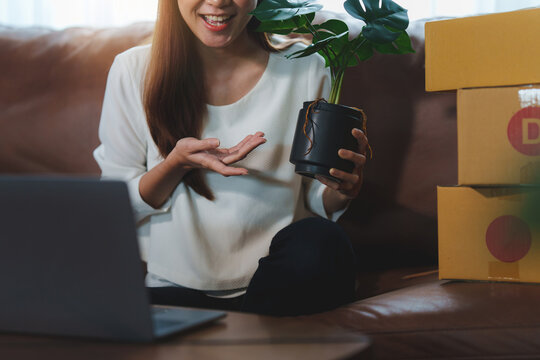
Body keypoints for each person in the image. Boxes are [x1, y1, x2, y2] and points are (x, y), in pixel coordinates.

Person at [93, 0, 369, 316]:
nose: (219, 2)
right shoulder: (132, 70)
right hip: (175, 291)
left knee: (323, 241)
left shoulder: (307, 66)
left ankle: (247, 332)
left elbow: (315, 198)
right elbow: (116, 206)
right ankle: (251, 336)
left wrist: (341, 190)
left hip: (278, 284)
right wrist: (176, 164)